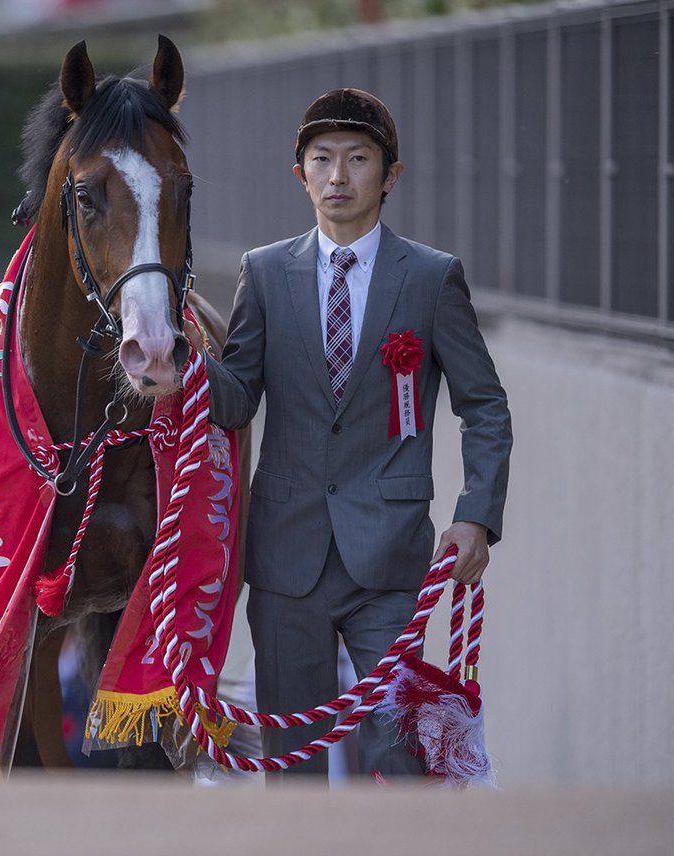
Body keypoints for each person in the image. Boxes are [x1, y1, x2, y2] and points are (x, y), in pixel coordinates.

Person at [197, 88, 512, 779]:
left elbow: (485, 406)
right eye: (322, 159)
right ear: (300, 174)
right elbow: (236, 400)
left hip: (390, 558)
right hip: (285, 557)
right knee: (292, 765)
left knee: (398, 758)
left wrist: (476, 517)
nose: (338, 175)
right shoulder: (263, 273)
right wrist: (182, 358)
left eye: (358, 159)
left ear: (390, 174)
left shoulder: (430, 277)